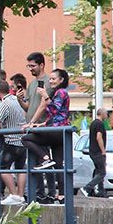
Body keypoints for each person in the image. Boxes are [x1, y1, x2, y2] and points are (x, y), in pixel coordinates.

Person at [22, 68, 71, 202]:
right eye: (50, 79)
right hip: (59, 132)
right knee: (59, 165)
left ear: (61, 80)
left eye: (54, 79)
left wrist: (45, 95)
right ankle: (62, 195)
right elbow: (58, 116)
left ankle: (44, 158)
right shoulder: (59, 92)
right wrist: (41, 124)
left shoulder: (61, 92)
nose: (51, 81)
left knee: (26, 138)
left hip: (56, 132)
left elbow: (54, 109)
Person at [81, 107, 108, 197]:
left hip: (92, 151)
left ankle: (100, 191)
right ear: (102, 114)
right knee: (102, 172)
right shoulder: (100, 124)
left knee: (98, 171)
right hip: (98, 151)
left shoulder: (93, 123)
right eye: (106, 113)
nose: (107, 115)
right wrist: (103, 150)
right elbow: (98, 137)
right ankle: (87, 188)